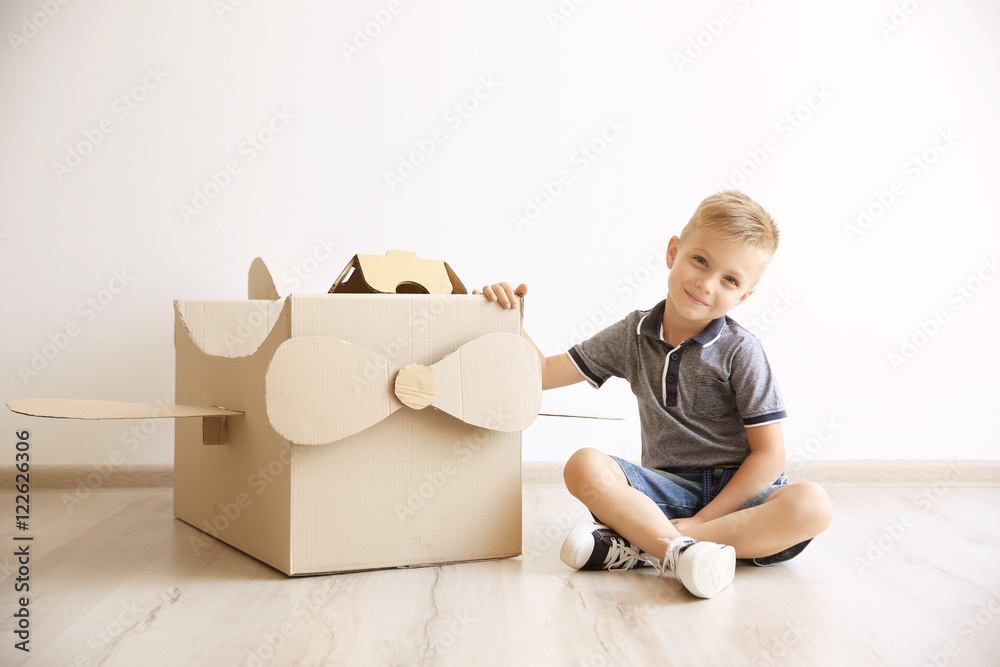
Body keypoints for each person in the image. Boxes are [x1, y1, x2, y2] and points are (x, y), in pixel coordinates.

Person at [476, 191, 834, 598]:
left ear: (744, 296)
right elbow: (540, 373)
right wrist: (506, 318)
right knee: (583, 465)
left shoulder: (741, 351)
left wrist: (698, 524)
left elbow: (770, 457)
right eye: (700, 260)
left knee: (812, 505)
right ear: (673, 252)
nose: (706, 283)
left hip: (739, 501)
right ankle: (676, 550)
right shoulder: (631, 335)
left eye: (730, 280)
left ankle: (653, 547)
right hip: (664, 491)